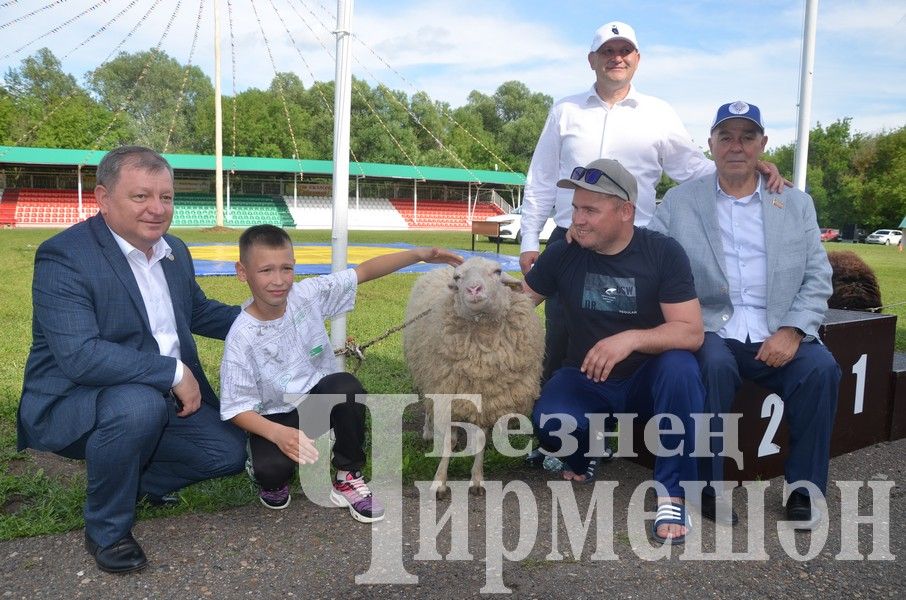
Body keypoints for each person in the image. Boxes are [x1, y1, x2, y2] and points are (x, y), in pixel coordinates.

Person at [519, 21, 787, 389]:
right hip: (572, 241)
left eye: (624, 51)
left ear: (637, 59)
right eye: (607, 51)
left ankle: (635, 426)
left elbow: (693, 169)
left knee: (639, 342)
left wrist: (744, 164)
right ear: (591, 60)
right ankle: (557, 432)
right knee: (562, 339)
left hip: (635, 247)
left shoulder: (659, 113)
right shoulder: (564, 110)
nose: (616, 58)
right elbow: (542, 178)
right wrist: (529, 239)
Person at [17, 146, 246, 574]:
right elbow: (80, 356)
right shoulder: (64, 256)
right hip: (79, 400)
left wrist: (268, 321)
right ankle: (107, 530)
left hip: (159, 400)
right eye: (141, 197)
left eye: (167, 197)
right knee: (136, 405)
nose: (157, 209)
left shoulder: (173, 249)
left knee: (228, 454)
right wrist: (173, 371)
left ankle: (130, 481)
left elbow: (196, 312)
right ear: (103, 199)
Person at [648, 101, 841, 530]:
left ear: (763, 144)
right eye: (726, 136)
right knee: (711, 366)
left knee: (821, 370)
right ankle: (707, 488)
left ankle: (804, 491)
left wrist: (793, 330)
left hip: (778, 327)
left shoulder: (794, 203)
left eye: (747, 136)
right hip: (713, 325)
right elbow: (653, 257)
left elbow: (817, 275)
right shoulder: (680, 202)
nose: (737, 145)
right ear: (711, 144)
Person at [219, 224, 462, 523]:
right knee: (272, 476)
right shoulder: (241, 336)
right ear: (242, 272)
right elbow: (235, 408)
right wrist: (278, 434)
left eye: (286, 268)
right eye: (266, 270)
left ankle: (348, 475)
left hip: (314, 400)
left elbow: (363, 272)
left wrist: (420, 254)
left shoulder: (306, 295)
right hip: (274, 417)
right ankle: (266, 461)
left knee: (346, 384)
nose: (279, 280)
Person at [521, 158, 705, 545]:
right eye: (575, 208)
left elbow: (691, 332)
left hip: (646, 378)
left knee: (681, 367)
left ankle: (672, 494)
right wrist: (472, 294)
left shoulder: (662, 252)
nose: (578, 219)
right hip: (586, 376)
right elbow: (520, 304)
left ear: (626, 212)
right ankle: (585, 451)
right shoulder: (563, 251)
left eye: (590, 210)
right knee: (553, 425)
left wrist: (631, 339)